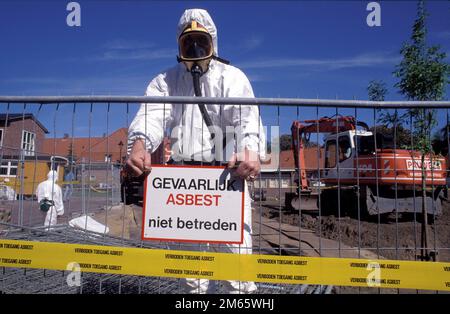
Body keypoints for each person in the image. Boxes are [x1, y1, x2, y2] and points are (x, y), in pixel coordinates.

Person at [126, 9, 265, 294]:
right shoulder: (166, 81)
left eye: (201, 42)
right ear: (179, 45)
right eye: (188, 43)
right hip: (186, 182)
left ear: (213, 42)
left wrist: (250, 149)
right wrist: (140, 144)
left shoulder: (232, 78)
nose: (196, 49)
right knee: (192, 272)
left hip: (227, 179)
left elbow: (247, 118)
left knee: (236, 269)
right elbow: (152, 114)